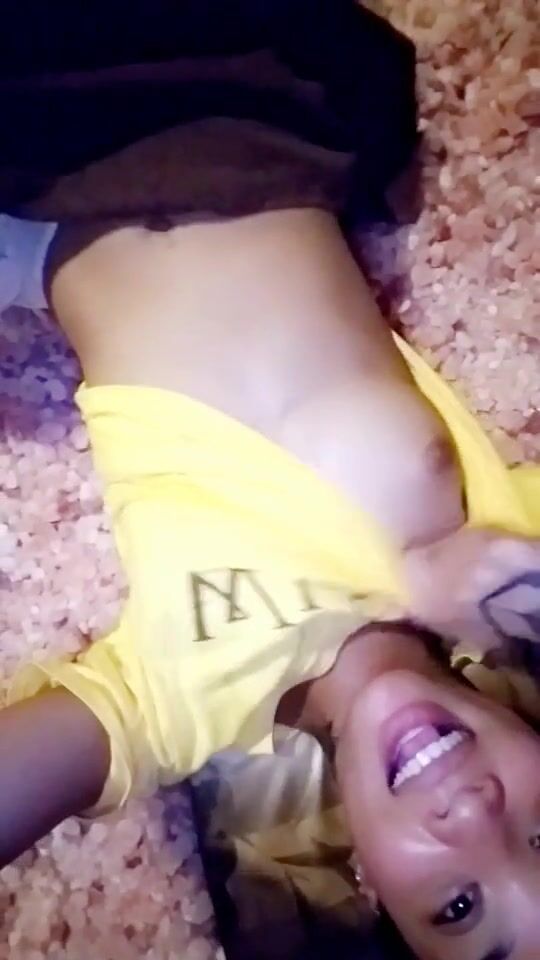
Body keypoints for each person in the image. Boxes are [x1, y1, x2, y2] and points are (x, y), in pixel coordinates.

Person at [1, 2, 540, 957]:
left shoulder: (187, 705)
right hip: (244, 100)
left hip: (42, 180)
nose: (475, 819)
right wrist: (434, 572)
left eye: (456, 908)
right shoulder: (508, 567)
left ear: (369, 885)